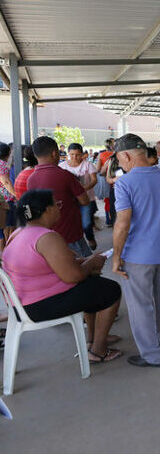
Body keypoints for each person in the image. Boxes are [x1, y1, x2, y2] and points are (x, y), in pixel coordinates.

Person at [2, 190, 122, 363]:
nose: (60, 208)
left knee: (94, 283)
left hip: (24, 304)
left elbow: (46, 266)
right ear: (46, 210)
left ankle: (92, 338)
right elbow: (74, 276)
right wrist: (92, 263)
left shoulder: (18, 233)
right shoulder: (46, 237)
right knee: (111, 290)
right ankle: (98, 350)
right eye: (56, 204)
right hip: (39, 306)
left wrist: (84, 263)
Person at [111, 134, 160, 367]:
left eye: (119, 160)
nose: (120, 165)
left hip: (137, 255)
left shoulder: (125, 183)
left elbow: (123, 222)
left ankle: (152, 354)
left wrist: (116, 257)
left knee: (140, 305)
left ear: (125, 155)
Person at [27, 136, 92, 257]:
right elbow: (85, 201)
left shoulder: (30, 179)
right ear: (54, 153)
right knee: (82, 269)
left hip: (47, 237)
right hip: (70, 234)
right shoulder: (65, 175)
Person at [60, 143, 99, 251]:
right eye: (72, 154)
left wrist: (84, 188)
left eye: (77, 155)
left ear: (82, 154)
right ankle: (78, 244)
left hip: (86, 199)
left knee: (86, 223)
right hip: (69, 200)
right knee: (72, 223)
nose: (74, 157)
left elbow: (94, 180)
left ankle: (90, 238)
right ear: (68, 154)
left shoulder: (88, 165)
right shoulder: (62, 166)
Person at [0, 142, 18, 242]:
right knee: (9, 225)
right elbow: (6, 182)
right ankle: (8, 247)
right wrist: (16, 194)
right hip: (5, 199)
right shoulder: (2, 164)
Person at [97, 138, 115, 226]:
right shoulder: (116, 154)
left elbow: (97, 169)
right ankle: (114, 218)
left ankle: (108, 220)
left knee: (107, 200)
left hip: (105, 180)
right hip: (116, 178)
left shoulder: (101, 155)